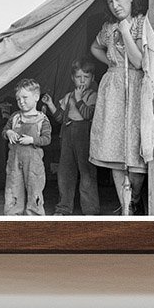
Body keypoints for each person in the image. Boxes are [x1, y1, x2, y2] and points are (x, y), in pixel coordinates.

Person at [89, 0, 154, 214]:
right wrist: (113, 63)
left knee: (135, 153)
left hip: (136, 87)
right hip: (113, 89)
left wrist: (125, 31)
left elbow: (138, 61)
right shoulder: (107, 28)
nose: (114, 5)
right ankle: (125, 208)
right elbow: (94, 48)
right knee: (114, 150)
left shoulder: (140, 23)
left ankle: (135, 199)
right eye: (110, 1)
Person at [41, 57, 100, 216]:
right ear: (72, 78)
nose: (82, 81)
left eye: (86, 77)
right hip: (67, 134)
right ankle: (64, 208)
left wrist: (79, 99)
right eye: (78, 77)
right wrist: (51, 105)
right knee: (65, 172)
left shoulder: (93, 95)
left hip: (84, 134)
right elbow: (60, 118)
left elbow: (87, 114)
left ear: (92, 79)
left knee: (87, 173)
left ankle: (91, 210)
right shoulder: (68, 96)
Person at [3, 78, 52, 216]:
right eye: (18, 99)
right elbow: (4, 131)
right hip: (14, 163)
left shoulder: (42, 119)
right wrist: (9, 132)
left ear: (36, 97)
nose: (21, 102)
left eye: (25, 97)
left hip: (34, 166)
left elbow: (47, 139)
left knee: (34, 191)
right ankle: (12, 218)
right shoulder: (15, 117)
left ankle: (34, 218)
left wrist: (32, 140)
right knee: (13, 190)